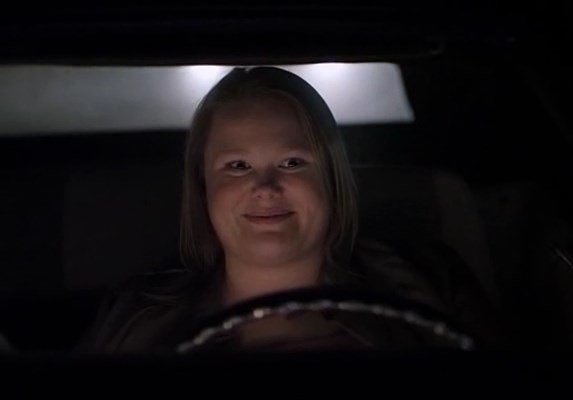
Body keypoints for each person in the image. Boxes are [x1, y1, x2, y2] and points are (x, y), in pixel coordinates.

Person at [78, 66, 498, 353]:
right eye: (237, 166)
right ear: (203, 187)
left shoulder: (431, 288)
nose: (265, 188)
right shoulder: (139, 321)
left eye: (292, 162)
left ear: (331, 178)